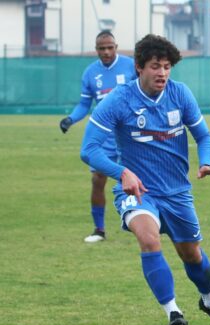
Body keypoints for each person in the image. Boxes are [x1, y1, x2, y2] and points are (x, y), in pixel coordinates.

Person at [80, 34, 210, 325]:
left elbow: (203, 136)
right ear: (139, 67)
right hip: (139, 191)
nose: (162, 72)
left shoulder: (180, 94)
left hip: (177, 192)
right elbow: (90, 149)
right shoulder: (120, 99)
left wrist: (205, 163)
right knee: (149, 240)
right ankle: (173, 313)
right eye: (155, 66)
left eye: (167, 66)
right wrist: (122, 171)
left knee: (192, 255)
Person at [60, 31, 137, 243]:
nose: (106, 51)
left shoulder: (130, 66)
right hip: (104, 136)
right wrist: (70, 119)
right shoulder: (90, 73)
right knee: (97, 180)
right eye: (102, 48)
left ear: (116, 46)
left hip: (130, 134)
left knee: (139, 179)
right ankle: (99, 230)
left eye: (110, 47)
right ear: (96, 49)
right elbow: (85, 104)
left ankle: (146, 221)